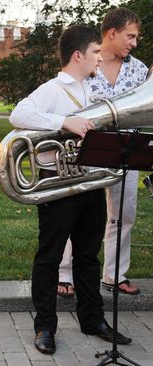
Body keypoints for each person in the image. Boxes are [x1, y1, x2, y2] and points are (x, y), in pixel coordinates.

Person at [9, 25, 131, 355]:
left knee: (88, 258)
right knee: (49, 259)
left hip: (90, 184)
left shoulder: (94, 88)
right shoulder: (52, 89)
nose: (99, 58)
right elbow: (17, 113)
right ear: (78, 55)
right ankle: (45, 326)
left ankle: (93, 319)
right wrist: (64, 123)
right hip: (59, 188)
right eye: (95, 53)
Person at [58, 8, 149, 298]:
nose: (134, 43)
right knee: (77, 213)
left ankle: (115, 274)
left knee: (124, 214)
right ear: (112, 33)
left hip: (126, 150)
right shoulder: (85, 62)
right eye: (130, 36)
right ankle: (65, 275)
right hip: (87, 150)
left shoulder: (139, 70)